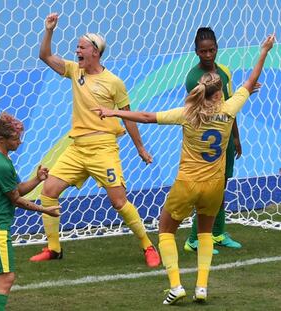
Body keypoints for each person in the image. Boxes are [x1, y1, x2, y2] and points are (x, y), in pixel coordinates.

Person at [92, 34, 275, 304]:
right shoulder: (229, 109)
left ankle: (176, 286)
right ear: (220, 92)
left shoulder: (187, 114)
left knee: (165, 230)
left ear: (199, 91)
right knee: (204, 233)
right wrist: (263, 51)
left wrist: (114, 113)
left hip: (187, 184)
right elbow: (249, 81)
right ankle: (201, 288)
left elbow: (145, 117)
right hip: (214, 186)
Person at [29, 13, 160, 267]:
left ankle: (148, 246)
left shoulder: (114, 83)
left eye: (81, 47)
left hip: (103, 148)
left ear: (95, 52)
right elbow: (44, 56)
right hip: (77, 148)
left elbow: (129, 117)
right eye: (77, 47)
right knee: (48, 191)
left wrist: (140, 148)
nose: (76, 51)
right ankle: (54, 248)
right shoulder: (74, 71)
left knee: (118, 201)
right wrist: (49, 30)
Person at [0, 112, 60, 310]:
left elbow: (17, 189)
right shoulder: (1, 164)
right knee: (5, 279)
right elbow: (16, 199)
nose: (19, 142)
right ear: (1, 138)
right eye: (15, 138)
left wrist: (37, 179)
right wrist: (45, 210)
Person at [184, 27, 243, 254]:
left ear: (217, 49)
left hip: (225, 140)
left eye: (211, 50)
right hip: (206, 143)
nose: (208, 55)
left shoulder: (224, 72)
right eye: (203, 51)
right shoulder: (193, 79)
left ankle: (217, 233)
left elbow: (229, 108)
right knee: (206, 192)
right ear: (196, 52)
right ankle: (194, 238)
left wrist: (236, 137)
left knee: (221, 188)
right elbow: (195, 114)